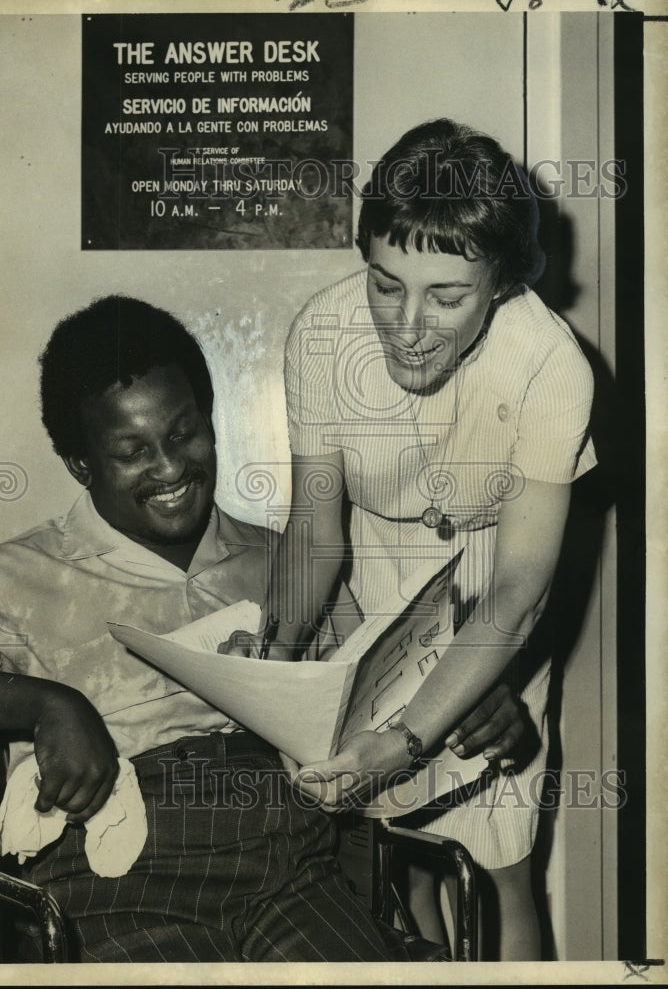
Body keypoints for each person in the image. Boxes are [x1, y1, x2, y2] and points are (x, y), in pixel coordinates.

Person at [0, 294, 527, 963]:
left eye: (183, 433)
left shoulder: (285, 564)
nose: (170, 467)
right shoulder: (15, 575)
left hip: (292, 866)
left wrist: (466, 705)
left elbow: (379, 701)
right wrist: (48, 704)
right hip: (118, 879)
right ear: (82, 464)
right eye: (131, 451)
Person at [244, 119, 596, 960]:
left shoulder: (551, 365)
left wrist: (410, 735)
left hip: (492, 581)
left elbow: (520, 588)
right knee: (390, 848)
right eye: (386, 283)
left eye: (447, 296)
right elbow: (316, 533)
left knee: (497, 852)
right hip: (374, 566)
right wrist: (272, 660)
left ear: (502, 283)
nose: (407, 324)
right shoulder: (322, 335)